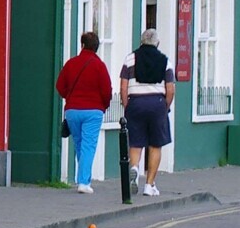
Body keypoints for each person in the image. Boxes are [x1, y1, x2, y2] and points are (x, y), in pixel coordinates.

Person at [120, 29, 176, 196]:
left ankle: (135, 170)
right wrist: (165, 106)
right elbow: (171, 88)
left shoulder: (130, 59)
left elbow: (123, 86)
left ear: (141, 41)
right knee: (155, 144)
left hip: (135, 102)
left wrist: (127, 105)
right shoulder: (165, 61)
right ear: (157, 43)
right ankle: (149, 185)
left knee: (136, 142)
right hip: (157, 103)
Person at [55, 31, 112, 193]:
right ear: (96, 47)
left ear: (82, 45)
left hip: (72, 111)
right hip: (93, 111)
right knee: (88, 146)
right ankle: (83, 182)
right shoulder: (99, 66)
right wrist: (103, 105)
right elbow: (107, 91)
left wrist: (70, 98)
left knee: (80, 145)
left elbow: (60, 86)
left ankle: (83, 178)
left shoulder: (71, 63)